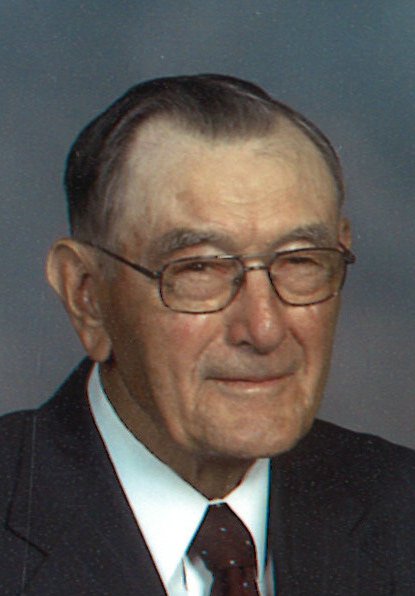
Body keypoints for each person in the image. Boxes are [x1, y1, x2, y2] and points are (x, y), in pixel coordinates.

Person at [1, 74, 414, 596]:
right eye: (199, 269)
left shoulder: (401, 507)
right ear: (87, 295)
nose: (264, 329)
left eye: (300, 261)